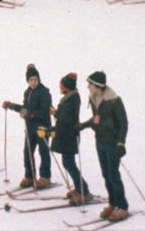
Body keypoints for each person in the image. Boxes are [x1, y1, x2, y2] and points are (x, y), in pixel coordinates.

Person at [78, 71, 129, 222]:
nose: (88, 87)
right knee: (106, 174)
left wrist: (121, 143)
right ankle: (113, 203)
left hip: (112, 143)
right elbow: (97, 118)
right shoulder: (95, 98)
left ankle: (122, 206)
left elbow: (123, 123)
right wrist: (83, 125)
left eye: (90, 84)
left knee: (113, 175)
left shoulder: (114, 101)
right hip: (100, 140)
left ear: (98, 86)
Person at [2, 64, 52, 190]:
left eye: (35, 79)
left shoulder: (44, 92)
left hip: (42, 127)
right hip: (30, 128)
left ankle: (45, 176)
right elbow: (25, 109)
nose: (33, 82)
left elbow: (45, 111)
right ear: (27, 81)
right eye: (31, 80)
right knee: (27, 151)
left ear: (39, 79)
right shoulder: (27, 92)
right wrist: (12, 105)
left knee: (43, 151)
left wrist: (30, 114)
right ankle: (30, 176)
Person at [50, 73, 93, 206]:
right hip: (68, 136)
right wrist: (55, 112)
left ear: (66, 88)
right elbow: (63, 116)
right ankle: (80, 188)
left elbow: (65, 122)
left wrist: (52, 130)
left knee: (69, 163)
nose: (59, 88)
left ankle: (83, 190)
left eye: (61, 86)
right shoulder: (70, 98)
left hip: (68, 136)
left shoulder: (69, 102)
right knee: (68, 163)